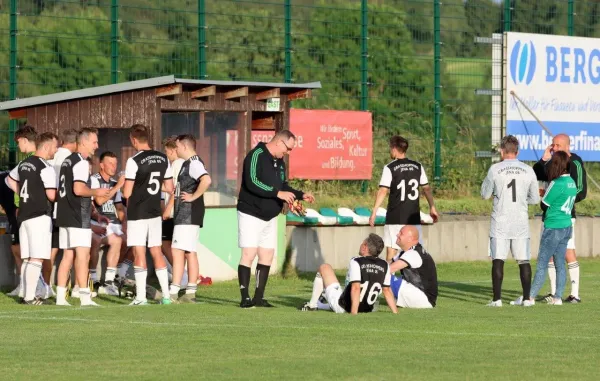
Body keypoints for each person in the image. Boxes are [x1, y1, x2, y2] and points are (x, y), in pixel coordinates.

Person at [236, 130, 315, 308]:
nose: (288, 153)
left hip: (270, 216)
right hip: (250, 213)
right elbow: (252, 182)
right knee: (249, 254)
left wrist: (300, 195)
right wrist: (278, 193)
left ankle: (258, 297)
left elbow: (282, 186)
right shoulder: (256, 155)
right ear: (279, 142)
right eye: (288, 149)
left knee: (267, 255)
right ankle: (244, 297)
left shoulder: (280, 162)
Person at [480, 135, 540, 307]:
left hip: (500, 220)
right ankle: (527, 299)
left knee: (498, 259)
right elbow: (535, 198)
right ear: (517, 151)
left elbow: (484, 194)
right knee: (523, 260)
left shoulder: (495, 169)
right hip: (520, 220)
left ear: (501, 151)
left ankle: (497, 299)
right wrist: (521, 200)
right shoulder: (528, 170)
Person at [55, 128, 110, 306]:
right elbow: (78, 189)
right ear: (83, 142)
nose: (97, 146)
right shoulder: (80, 162)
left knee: (67, 256)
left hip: (64, 214)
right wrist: (96, 191)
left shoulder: (67, 161)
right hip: (77, 215)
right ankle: (85, 297)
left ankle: (60, 297)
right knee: (82, 255)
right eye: (94, 142)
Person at [122, 124, 174, 306]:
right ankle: (166, 297)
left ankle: (141, 297)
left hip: (138, 212)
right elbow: (169, 188)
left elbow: (127, 193)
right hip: (154, 212)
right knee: (156, 251)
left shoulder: (133, 161)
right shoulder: (163, 158)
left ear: (134, 140)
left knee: (139, 252)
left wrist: (124, 184)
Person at [533, 133, 586, 303]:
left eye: (556, 145)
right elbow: (538, 174)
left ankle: (575, 294)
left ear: (566, 146)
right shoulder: (553, 161)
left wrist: (561, 199)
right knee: (549, 254)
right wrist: (543, 160)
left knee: (567, 253)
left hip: (565, 216)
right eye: (552, 145)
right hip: (550, 215)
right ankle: (554, 292)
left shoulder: (575, 163)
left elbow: (581, 191)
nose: (553, 148)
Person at [6, 132, 58, 304]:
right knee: (36, 258)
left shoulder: (23, 163)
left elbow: (9, 180)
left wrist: (22, 195)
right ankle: (29, 297)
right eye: (55, 147)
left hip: (24, 216)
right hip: (39, 215)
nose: (55, 150)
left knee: (28, 258)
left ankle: (26, 295)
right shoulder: (46, 166)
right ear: (46, 146)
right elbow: (51, 195)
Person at [370, 136, 439, 262]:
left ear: (395, 149)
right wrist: (432, 207)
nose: (390, 151)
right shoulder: (418, 166)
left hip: (395, 216)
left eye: (391, 148)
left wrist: (374, 211)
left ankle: (388, 280)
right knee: (414, 250)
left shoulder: (390, 167)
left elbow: (383, 190)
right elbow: (426, 189)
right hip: (413, 217)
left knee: (392, 250)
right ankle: (415, 280)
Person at [524, 151, 577, 306]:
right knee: (560, 263)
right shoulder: (571, 183)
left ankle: (530, 298)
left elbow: (544, 204)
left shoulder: (557, 183)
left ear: (557, 165)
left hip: (553, 227)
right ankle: (558, 297)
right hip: (567, 226)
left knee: (542, 263)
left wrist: (544, 194)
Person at [299, 233, 397, 314]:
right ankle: (322, 300)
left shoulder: (356, 261)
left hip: (346, 308)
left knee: (324, 268)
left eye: (362, 243)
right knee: (344, 290)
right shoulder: (385, 265)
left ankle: (312, 305)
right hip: (368, 309)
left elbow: (356, 288)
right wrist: (395, 313)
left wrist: (353, 314)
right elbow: (387, 290)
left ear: (365, 247)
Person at [168, 135, 211, 304]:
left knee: (177, 250)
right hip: (189, 214)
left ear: (184, 147)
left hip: (188, 214)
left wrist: (193, 196)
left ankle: (173, 291)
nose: (176, 149)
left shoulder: (194, 163)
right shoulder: (189, 163)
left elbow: (206, 180)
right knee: (189, 251)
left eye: (177, 146)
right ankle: (191, 291)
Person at [43, 128, 78, 299]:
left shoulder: (53, 156)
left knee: (52, 250)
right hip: (63, 208)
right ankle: (53, 286)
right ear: (75, 143)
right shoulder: (71, 159)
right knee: (66, 250)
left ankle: (47, 285)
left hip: (50, 207)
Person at [4, 125, 37, 297]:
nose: (18, 147)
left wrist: (25, 199)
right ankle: (26, 286)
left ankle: (33, 287)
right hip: (23, 211)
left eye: (18, 143)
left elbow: (10, 180)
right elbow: (11, 180)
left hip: (29, 212)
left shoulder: (32, 161)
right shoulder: (28, 161)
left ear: (24, 140)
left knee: (29, 253)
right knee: (21, 250)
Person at [89, 151, 126, 296]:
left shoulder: (114, 183)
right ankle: (94, 279)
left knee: (130, 241)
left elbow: (119, 207)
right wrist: (118, 187)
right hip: (97, 222)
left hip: (113, 223)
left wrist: (124, 223)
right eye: (110, 163)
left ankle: (113, 279)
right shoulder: (94, 180)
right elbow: (99, 201)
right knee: (97, 241)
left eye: (115, 163)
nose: (114, 166)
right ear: (102, 165)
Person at [388, 225, 438, 309]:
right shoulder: (408, 251)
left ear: (409, 239)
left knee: (383, 275)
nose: (397, 235)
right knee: (380, 273)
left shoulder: (413, 253)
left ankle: (365, 299)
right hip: (421, 295)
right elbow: (387, 264)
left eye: (401, 233)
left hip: (423, 299)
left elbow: (389, 269)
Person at [161, 136, 184, 271]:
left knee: (165, 244)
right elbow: (170, 188)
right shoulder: (179, 164)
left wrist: (167, 209)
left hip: (173, 212)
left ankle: (180, 273)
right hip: (177, 212)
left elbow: (175, 190)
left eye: (166, 151)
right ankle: (181, 274)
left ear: (171, 150)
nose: (166, 154)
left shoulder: (176, 164)